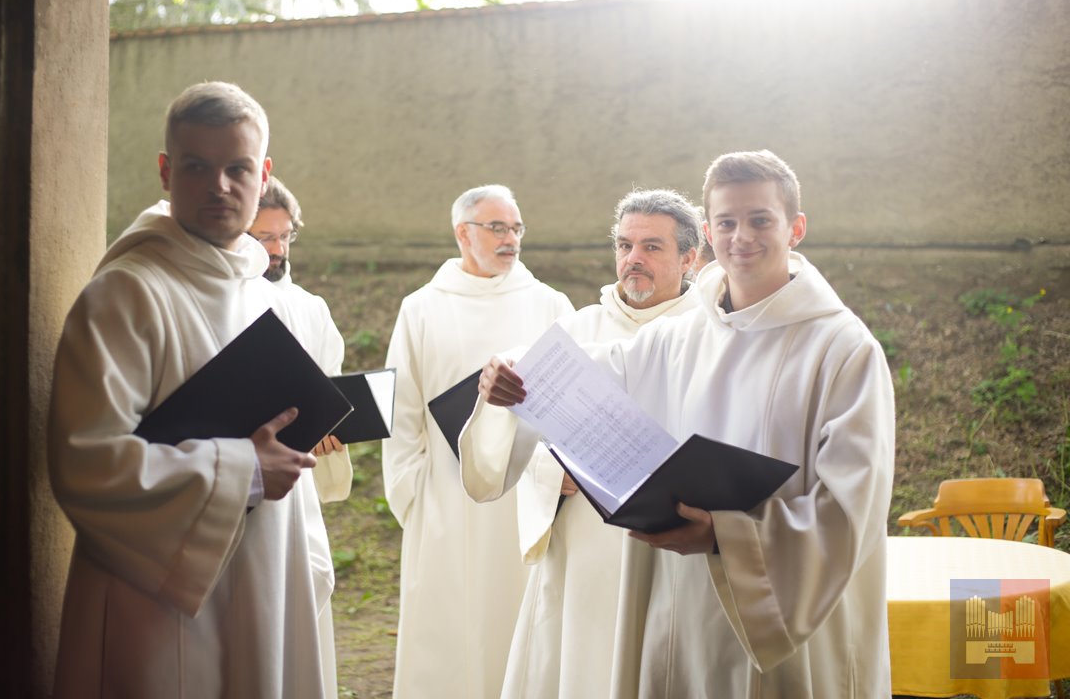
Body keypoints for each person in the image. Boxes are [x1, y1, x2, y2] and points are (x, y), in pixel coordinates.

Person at [480, 151, 895, 697]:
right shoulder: (683, 337)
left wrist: (727, 536)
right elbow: (597, 374)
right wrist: (511, 370)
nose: (740, 236)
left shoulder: (842, 349)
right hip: (679, 606)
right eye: (726, 222)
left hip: (780, 623)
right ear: (708, 231)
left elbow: (850, 508)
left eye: (759, 220)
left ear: (795, 228)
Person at [47, 82, 337, 698]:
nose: (219, 187)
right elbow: (85, 464)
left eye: (237, 168)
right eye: (197, 167)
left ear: (264, 174)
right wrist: (241, 470)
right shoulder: (125, 295)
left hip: (268, 574)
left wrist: (309, 557)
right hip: (160, 602)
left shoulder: (267, 298)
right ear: (165, 170)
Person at [459, 188, 702, 699]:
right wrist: (553, 470)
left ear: (689, 258)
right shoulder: (574, 332)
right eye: (624, 245)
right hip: (586, 551)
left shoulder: (710, 337)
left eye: (652, 247)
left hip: (674, 551)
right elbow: (525, 444)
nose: (633, 258)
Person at [382, 185, 575, 699]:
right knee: (448, 628)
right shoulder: (421, 308)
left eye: (516, 228)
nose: (510, 239)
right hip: (445, 495)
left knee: (517, 621)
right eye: (497, 228)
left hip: (525, 493)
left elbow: (572, 398)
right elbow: (404, 411)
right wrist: (413, 491)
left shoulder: (550, 303)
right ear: (462, 233)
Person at [250, 177, 352, 503]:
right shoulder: (222, 300)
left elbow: (330, 386)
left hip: (298, 480)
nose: (278, 249)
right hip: (242, 471)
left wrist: (330, 427)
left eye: (285, 236)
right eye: (265, 238)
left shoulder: (311, 308)